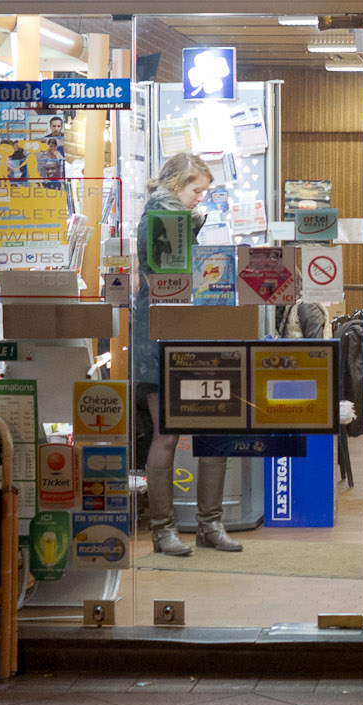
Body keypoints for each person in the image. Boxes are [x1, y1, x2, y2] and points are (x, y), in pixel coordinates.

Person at [131, 152, 241, 556]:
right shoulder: (164, 218)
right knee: (171, 430)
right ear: (179, 184)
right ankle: (175, 529)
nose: (202, 198)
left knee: (195, 429)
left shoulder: (170, 217)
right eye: (198, 190)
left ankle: (196, 526)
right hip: (165, 339)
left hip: (171, 336)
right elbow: (166, 278)